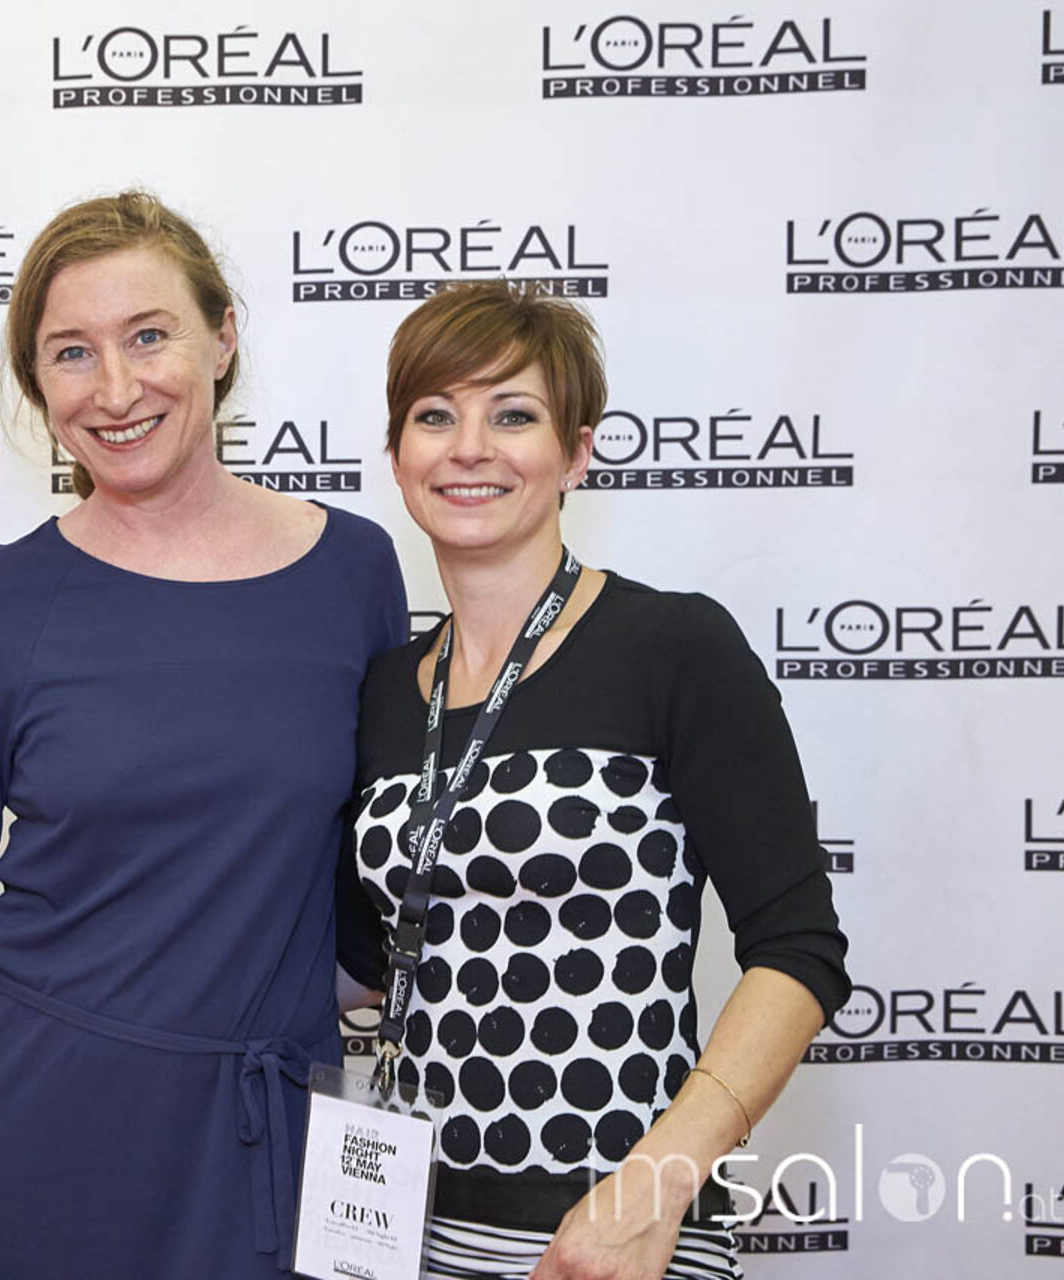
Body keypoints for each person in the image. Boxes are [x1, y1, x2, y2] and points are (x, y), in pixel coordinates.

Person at [0, 191, 408, 1279]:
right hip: (37, 1131)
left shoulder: (353, 571)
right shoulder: (3, 600)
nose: (115, 389)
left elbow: (378, 866)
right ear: (38, 383)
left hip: (268, 1128)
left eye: (149, 335)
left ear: (223, 336)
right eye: (72, 352)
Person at [337, 283, 849, 1280]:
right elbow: (360, 959)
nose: (469, 448)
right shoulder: (381, 694)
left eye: (512, 415)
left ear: (575, 453)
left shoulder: (671, 646)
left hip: (616, 1236)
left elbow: (800, 951)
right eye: (434, 415)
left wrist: (654, 1186)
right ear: (397, 455)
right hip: (407, 1235)